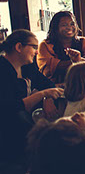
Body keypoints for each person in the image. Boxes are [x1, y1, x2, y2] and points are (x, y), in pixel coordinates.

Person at [0, 29, 64, 162]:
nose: (36, 52)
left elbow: (48, 83)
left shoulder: (27, 67)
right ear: (19, 47)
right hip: (8, 130)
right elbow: (11, 108)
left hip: (25, 119)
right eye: (34, 47)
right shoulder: (3, 70)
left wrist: (48, 98)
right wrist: (43, 94)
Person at [37, 11, 85, 84]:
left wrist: (77, 61)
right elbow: (50, 70)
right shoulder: (45, 45)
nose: (69, 27)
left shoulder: (84, 42)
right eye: (64, 25)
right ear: (56, 28)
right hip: (57, 88)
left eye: (72, 24)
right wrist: (80, 60)